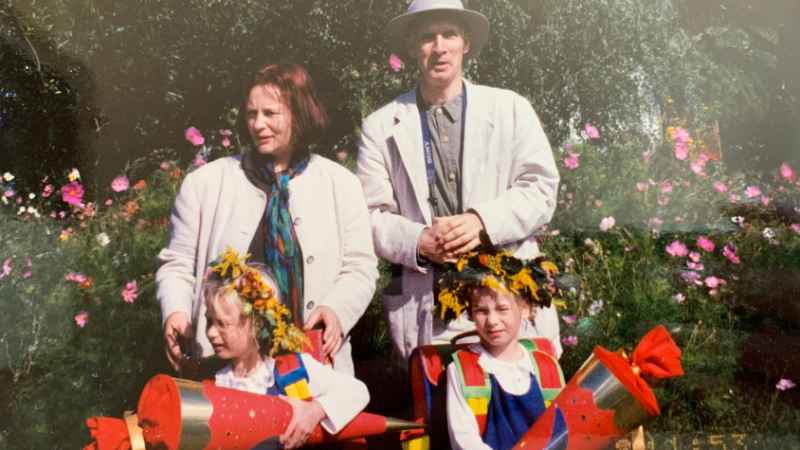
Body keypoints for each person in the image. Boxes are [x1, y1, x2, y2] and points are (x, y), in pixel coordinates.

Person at [356, 0, 561, 363]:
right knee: (442, 415)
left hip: (507, 305)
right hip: (433, 313)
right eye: (427, 37)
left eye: (449, 34)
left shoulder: (511, 109)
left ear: (465, 42)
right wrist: (420, 241)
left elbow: (541, 188)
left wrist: (482, 222)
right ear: (410, 46)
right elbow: (368, 217)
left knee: (523, 411)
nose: (439, 47)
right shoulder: (380, 126)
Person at [157, 61, 379, 376]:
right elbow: (178, 264)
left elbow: (360, 267)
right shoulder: (205, 184)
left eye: (270, 114)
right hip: (223, 369)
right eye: (251, 113)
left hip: (314, 364)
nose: (258, 124)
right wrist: (176, 312)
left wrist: (336, 309)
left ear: (301, 115)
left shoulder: (341, 184)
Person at [203, 250, 369, 449]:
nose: (211, 332)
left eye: (222, 323)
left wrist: (315, 411)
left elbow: (357, 391)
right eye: (209, 321)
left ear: (256, 324)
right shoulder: (212, 383)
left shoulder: (290, 370)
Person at [441, 252, 564, 450]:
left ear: (525, 309)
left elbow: (563, 430)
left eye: (502, 309)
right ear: (471, 314)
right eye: (481, 311)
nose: (492, 321)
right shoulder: (465, 370)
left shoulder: (544, 367)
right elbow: (464, 440)